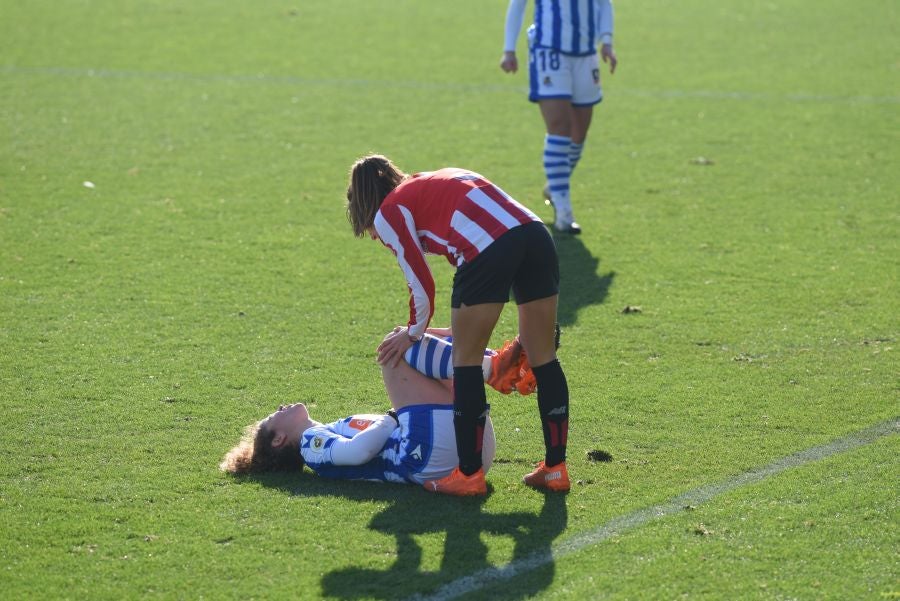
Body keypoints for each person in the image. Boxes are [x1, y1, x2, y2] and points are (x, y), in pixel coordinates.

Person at [346, 155, 571, 496]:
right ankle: (555, 469)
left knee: (464, 364)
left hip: (489, 248)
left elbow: (421, 285)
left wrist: (412, 332)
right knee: (544, 358)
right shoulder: (427, 182)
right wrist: (436, 330)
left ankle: (469, 475)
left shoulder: (388, 211)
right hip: (535, 234)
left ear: (365, 206)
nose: (377, 237)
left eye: (370, 232)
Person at [219, 328, 534, 481]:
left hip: (460, 454)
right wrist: (391, 419)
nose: (281, 406)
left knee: (408, 339)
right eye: (275, 415)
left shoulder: (324, 433)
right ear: (279, 439)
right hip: (429, 458)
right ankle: (497, 368)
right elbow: (358, 452)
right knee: (392, 350)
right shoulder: (311, 445)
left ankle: (506, 366)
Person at [500, 0, 618, 235]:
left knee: (578, 134)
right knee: (559, 127)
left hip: (586, 54)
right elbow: (518, 4)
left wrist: (607, 40)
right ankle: (564, 212)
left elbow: (604, 3)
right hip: (549, 52)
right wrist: (509, 49)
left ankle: (554, 188)